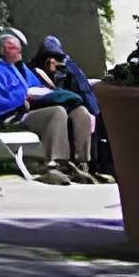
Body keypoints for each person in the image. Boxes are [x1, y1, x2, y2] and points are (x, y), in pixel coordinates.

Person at [0, 28, 96, 184]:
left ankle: (82, 163)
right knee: (57, 112)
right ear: (2, 48)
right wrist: (22, 99)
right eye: (10, 47)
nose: (15, 52)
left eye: (17, 48)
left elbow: (40, 89)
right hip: (15, 117)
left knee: (80, 112)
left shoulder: (23, 69)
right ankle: (55, 164)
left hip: (35, 110)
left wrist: (46, 94)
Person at [40, 33, 110, 177]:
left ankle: (83, 163)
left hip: (69, 104)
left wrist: (65, 70)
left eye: (56, 56)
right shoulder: (35, 69)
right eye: (49, 56)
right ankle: (59, 162)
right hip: (46, 105)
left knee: (83, 114)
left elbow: (83, 91)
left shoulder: (69, 69)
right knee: (58, 112)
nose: (52, 60)